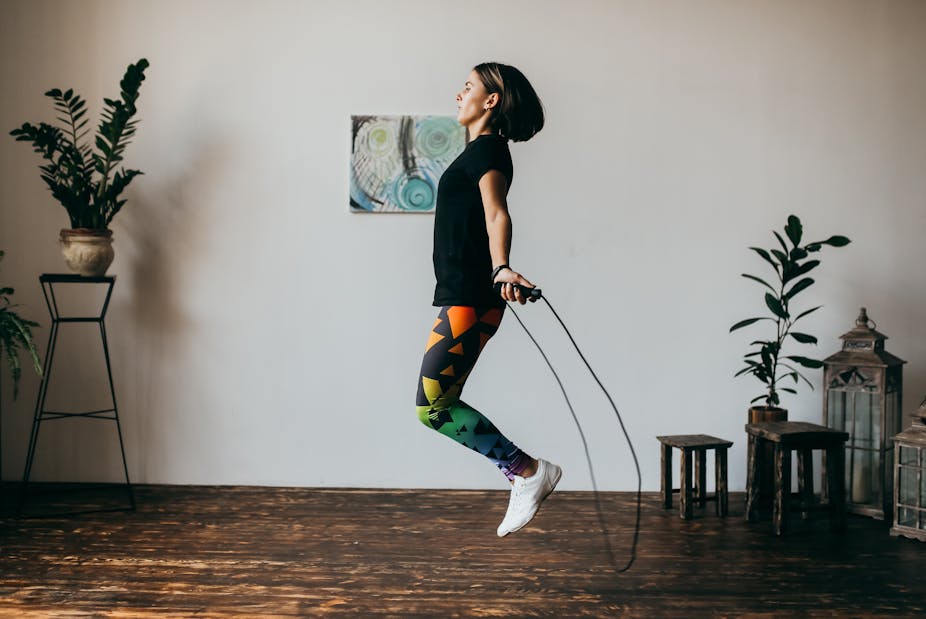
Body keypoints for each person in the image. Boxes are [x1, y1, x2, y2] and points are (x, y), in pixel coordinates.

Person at [415, 62, 561, 537]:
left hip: (472, 295)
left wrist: (501, 267)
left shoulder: (489, 151)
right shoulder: (479, 150)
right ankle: (524, 471)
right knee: (436, 403)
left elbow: (497, 214)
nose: (459, 95)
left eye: (468, 87)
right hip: (466, 294)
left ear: (491, 100)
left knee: (433, 405)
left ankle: (527, 471)